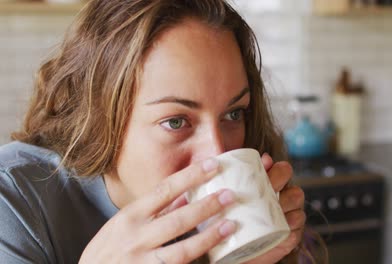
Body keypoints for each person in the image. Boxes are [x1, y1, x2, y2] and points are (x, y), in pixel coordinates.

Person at [0, 0, 311, 263]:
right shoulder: (13, 200)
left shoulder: (231, 217)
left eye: (233, 114)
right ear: (99, 115)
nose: (218, 155)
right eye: (176, 121)